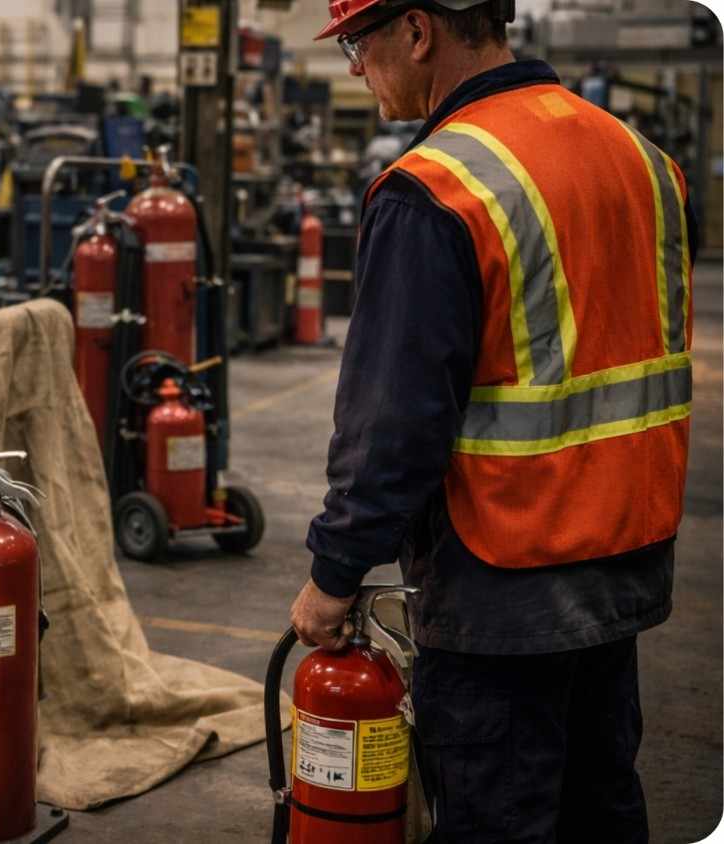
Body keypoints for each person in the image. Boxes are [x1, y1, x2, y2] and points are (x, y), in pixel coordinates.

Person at [290, 0, 696, 840]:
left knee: (495, 818)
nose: (357, 67)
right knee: (600, 805)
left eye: (361, 43)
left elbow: (394, 424)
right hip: (624, 557)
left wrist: (335, 573)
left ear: (417, 31)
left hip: (505, 574)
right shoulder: (642, 158)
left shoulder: (437, 190)